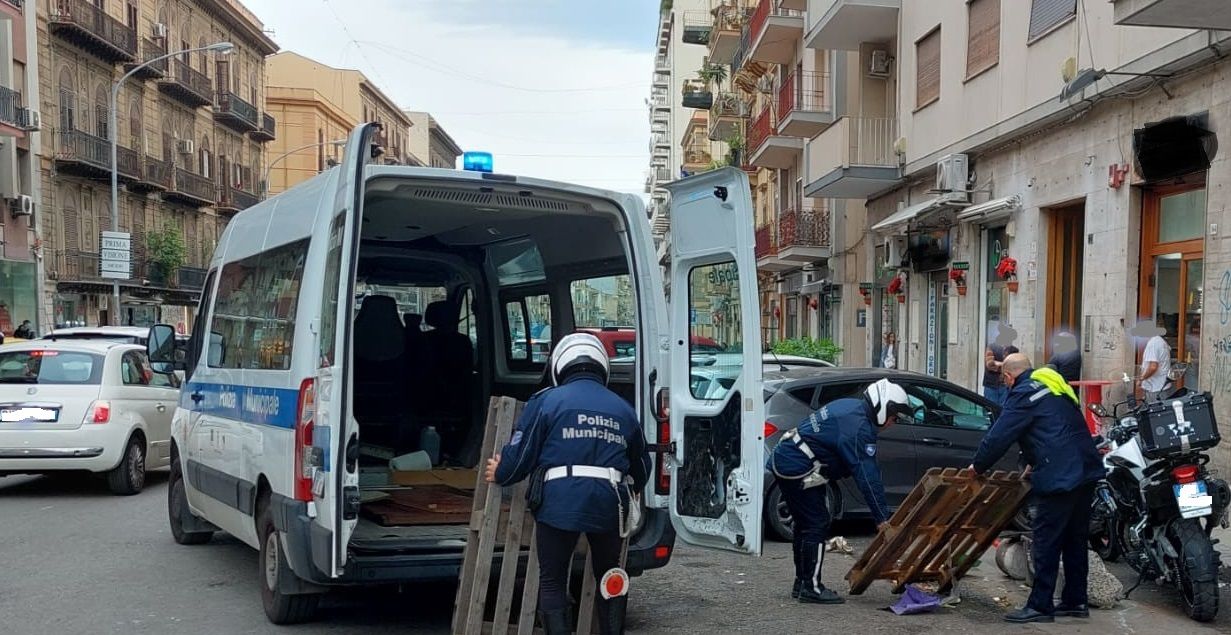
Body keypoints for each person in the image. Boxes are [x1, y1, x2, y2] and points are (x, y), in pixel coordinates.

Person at [485, 333, 650, 635]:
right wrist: (635, 487)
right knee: (610, 575)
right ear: (602, 366)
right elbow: (641, 467)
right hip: (608, 502)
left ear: (560, 365)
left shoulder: (546, 400)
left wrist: (500, 472)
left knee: (553, 581)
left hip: (560, 502)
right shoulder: (624, 409)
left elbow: (519, 458)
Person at [969, 353, 1104, 624]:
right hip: (1086, 468)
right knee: (1075, 539)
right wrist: (1031, 461)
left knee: (1046, 540)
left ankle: (1041, 606)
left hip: (1060, 475)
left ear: (1008, 377)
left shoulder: (1021, 394)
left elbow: (999, 436)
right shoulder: (1053, 385)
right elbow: (1051, 427)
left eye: (1005, 380)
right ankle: (1075, 600)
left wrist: (978, 466)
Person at [768, 378, 910, 604]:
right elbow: (867, 476)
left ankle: (803, 582)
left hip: (791, 460)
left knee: (806, 524)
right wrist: (882, 518)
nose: (894, 422)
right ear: (883, 407)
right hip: (797, 466)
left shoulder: (850, 408)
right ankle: (811, 587)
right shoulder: (859, 428)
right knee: (816, 523)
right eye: (894, 416)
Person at [983, 323, 1020, 405]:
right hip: (991, 385)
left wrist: (999, 364)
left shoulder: (1014, 350)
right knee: (990, 409)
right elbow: (990, 365)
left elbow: (1015, 367)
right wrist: (1006, 365)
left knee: (1004, 410)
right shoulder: (992, 347)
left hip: (1006, 386)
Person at [1137, 319, 1172, 402]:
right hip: (1162, 386)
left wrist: (1141, 379)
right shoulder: (1160, 341)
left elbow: (1153, 367)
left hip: (1155, 387)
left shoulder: (1153, 344)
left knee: (1153, 412)